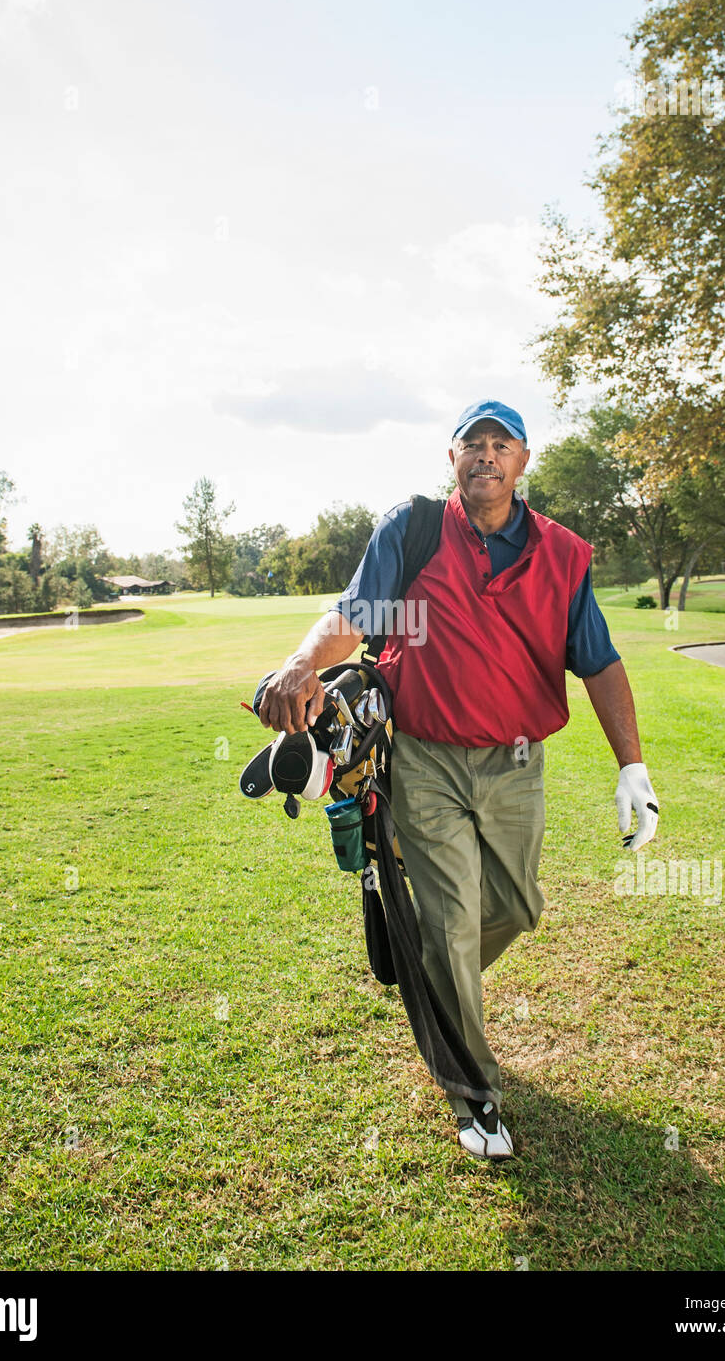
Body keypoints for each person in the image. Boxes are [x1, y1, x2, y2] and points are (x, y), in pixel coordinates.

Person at [257, 399, 659, 1160]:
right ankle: (474, 1095)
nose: (485, 454)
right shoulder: (410, 530)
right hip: (423, 758)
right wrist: (302, 663)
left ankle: (430, 977)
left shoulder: (564, 555)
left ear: (523, 461)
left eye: (500, 444)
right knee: (448, 920)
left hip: (515, 763)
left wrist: (632, 765)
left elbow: (599, 660)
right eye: (470, 443)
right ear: (451, 460)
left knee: (516, 905)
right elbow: (353, 614)